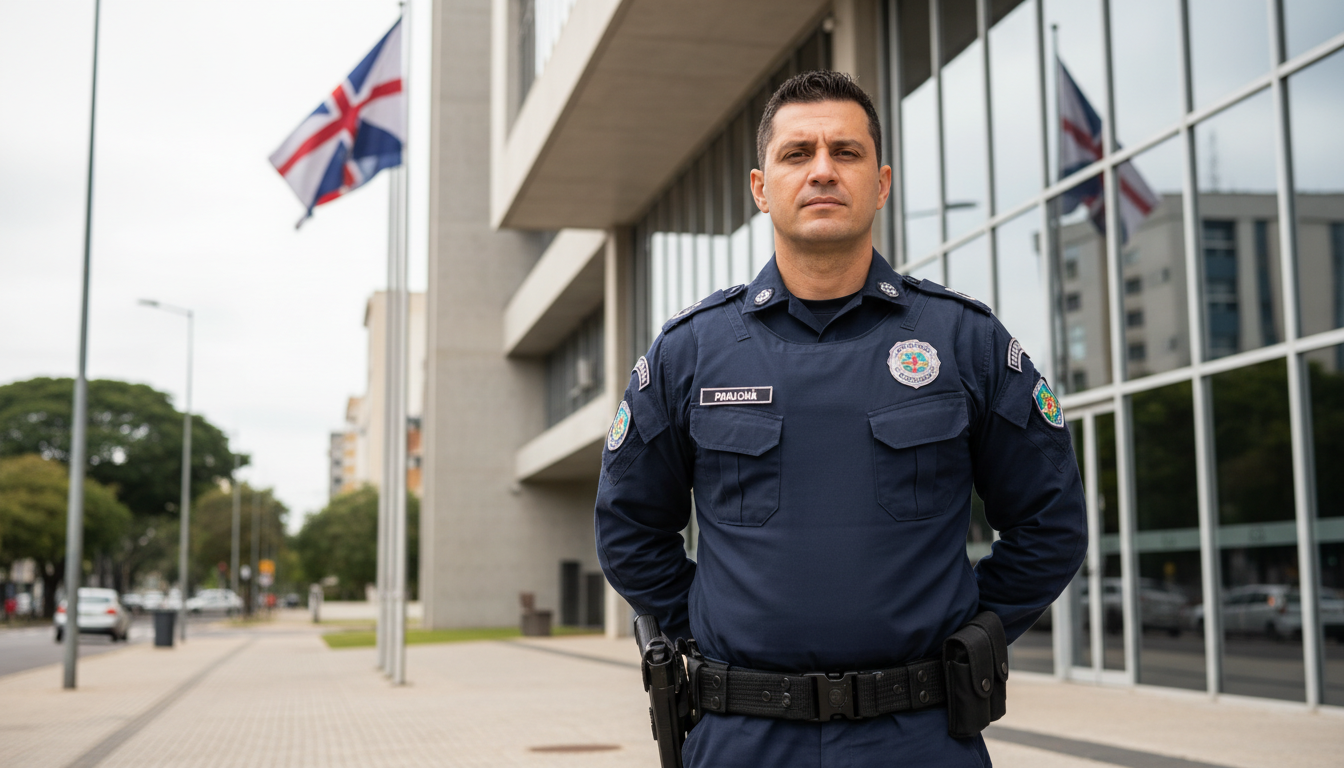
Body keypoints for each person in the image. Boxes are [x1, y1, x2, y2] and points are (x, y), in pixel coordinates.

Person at [595, 70, 1087, 767]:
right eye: (798, 154)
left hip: (920, 736)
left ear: (881, 183)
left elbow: (1051, 521)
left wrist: (966, 631)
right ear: (762, 188)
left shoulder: (963, 342)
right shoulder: (692, 353)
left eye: (845, 153)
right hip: (742, 737)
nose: (822, 170)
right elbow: (629, 525)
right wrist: (706, 633)